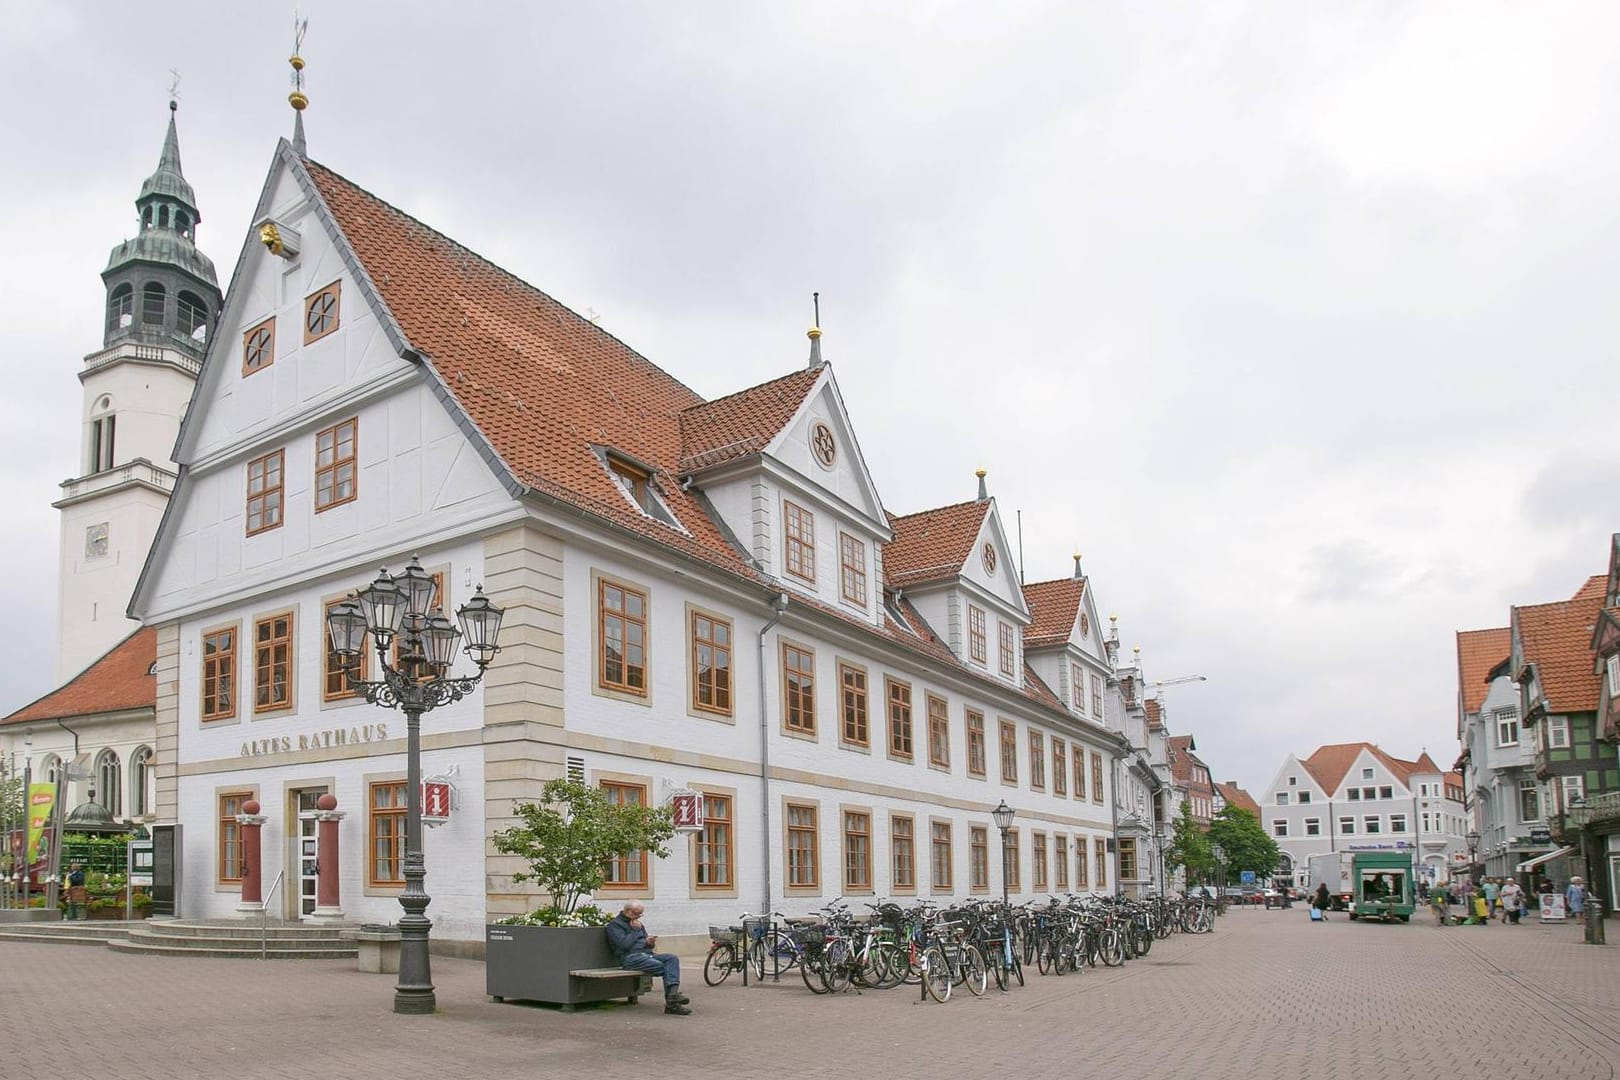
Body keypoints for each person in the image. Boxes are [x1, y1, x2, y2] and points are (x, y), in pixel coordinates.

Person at [605, 901, 690, 1015]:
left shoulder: (638, 924)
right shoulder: (614, 925)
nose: (639, 916)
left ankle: (672, 997)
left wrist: (650, 942)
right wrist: (634, 931)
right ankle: (672, 1002)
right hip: (630, 958)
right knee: (666, 968)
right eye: (637, 913)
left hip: (647, 954)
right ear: (628, 911)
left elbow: (645, 942)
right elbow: (624, 945)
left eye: (641, 914)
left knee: (672, 959)